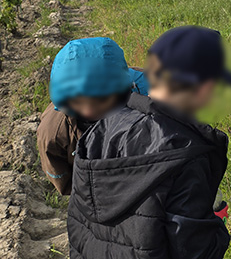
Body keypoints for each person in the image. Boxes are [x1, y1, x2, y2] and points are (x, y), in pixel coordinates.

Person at [67, 26, 231, 259]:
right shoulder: (186, 154)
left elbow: (79, 222)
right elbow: (195, 258)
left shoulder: (101, 129)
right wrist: (216, 224)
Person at [37, 37, 148, 195]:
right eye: (78, 102)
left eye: (100, 101)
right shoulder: (53, 131)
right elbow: (64, 181)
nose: (88, 111)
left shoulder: (151, 93)